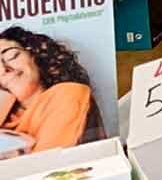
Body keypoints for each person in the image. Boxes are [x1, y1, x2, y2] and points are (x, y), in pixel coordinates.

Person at [0, 28, 104, 157]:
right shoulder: (6, 123)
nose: (4, 68)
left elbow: (42, 166)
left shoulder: (67, 94)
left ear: (34, 56)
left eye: (12, 56)